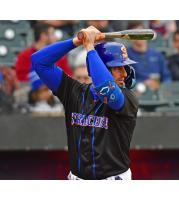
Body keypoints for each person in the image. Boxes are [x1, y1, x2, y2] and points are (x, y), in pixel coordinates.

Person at [31, 26, 138, 180]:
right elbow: (39, 62)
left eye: (125, 67)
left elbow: (105, 90)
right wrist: (76, 41)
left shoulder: (128, 96)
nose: (125, 73)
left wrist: (90, 47)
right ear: (98, 68)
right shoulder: (73, 91)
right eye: (117, 68)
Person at [127, 21, 171, 90]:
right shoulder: (126, 57)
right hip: (138, 93)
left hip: (159, 92)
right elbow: (126, 80)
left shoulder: (157, 55)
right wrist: (143, 83)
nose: (139, 37)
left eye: (141, 33)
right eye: (134, 34)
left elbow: (167, 77)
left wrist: (163, 87)